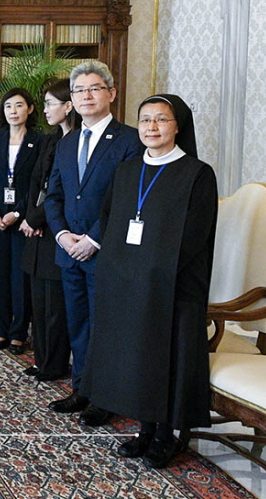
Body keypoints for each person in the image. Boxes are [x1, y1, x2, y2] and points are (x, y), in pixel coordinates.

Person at [80, 94, 217, 469]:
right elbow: (109, 222)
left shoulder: (197, 173)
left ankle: (167, 435)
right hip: (127, 283)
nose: (151, 128)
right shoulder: (126, 171)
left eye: (160, 120)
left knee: (165, 356)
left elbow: (195, 236)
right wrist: (118, 267)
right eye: (144, 120)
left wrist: (153, 272)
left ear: (178, 126)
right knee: (136, 356)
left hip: (171, 288)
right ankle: (144, 428)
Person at [44, 60, 142, 426]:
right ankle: (82, 388)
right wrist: (62, 234)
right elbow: (53, 195)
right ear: (71, 99)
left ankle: (105, 396)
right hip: (69, 251)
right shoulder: (67, 143)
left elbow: (130, 199)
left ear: (111, 93)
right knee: (79, 323)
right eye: (79, 90)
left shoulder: (130, 140)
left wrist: (94, 240)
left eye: (94, 88)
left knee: (106, 325)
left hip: (107, 253)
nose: (86, 95)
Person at [19, 79, 78, 381]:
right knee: (39, 302)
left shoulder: (78, 140)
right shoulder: (50, 139)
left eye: (50, 104)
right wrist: (31, 216)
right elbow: (36, 182)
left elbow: (67, 191)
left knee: (56, 305)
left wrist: (40, 219)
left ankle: (56, 364)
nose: (44, 111)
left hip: (58, 229)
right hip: (38, 229)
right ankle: (42, 360)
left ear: (68, 106)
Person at [0, 88, 42, 354]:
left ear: (29, 109)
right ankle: (2, 329)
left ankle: (19, 333)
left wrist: (17, 213)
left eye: (18, 106)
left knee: (20, 278)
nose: (13, 111)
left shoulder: (39, 141)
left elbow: (37, 184)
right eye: (8, 107)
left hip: (22, 220)